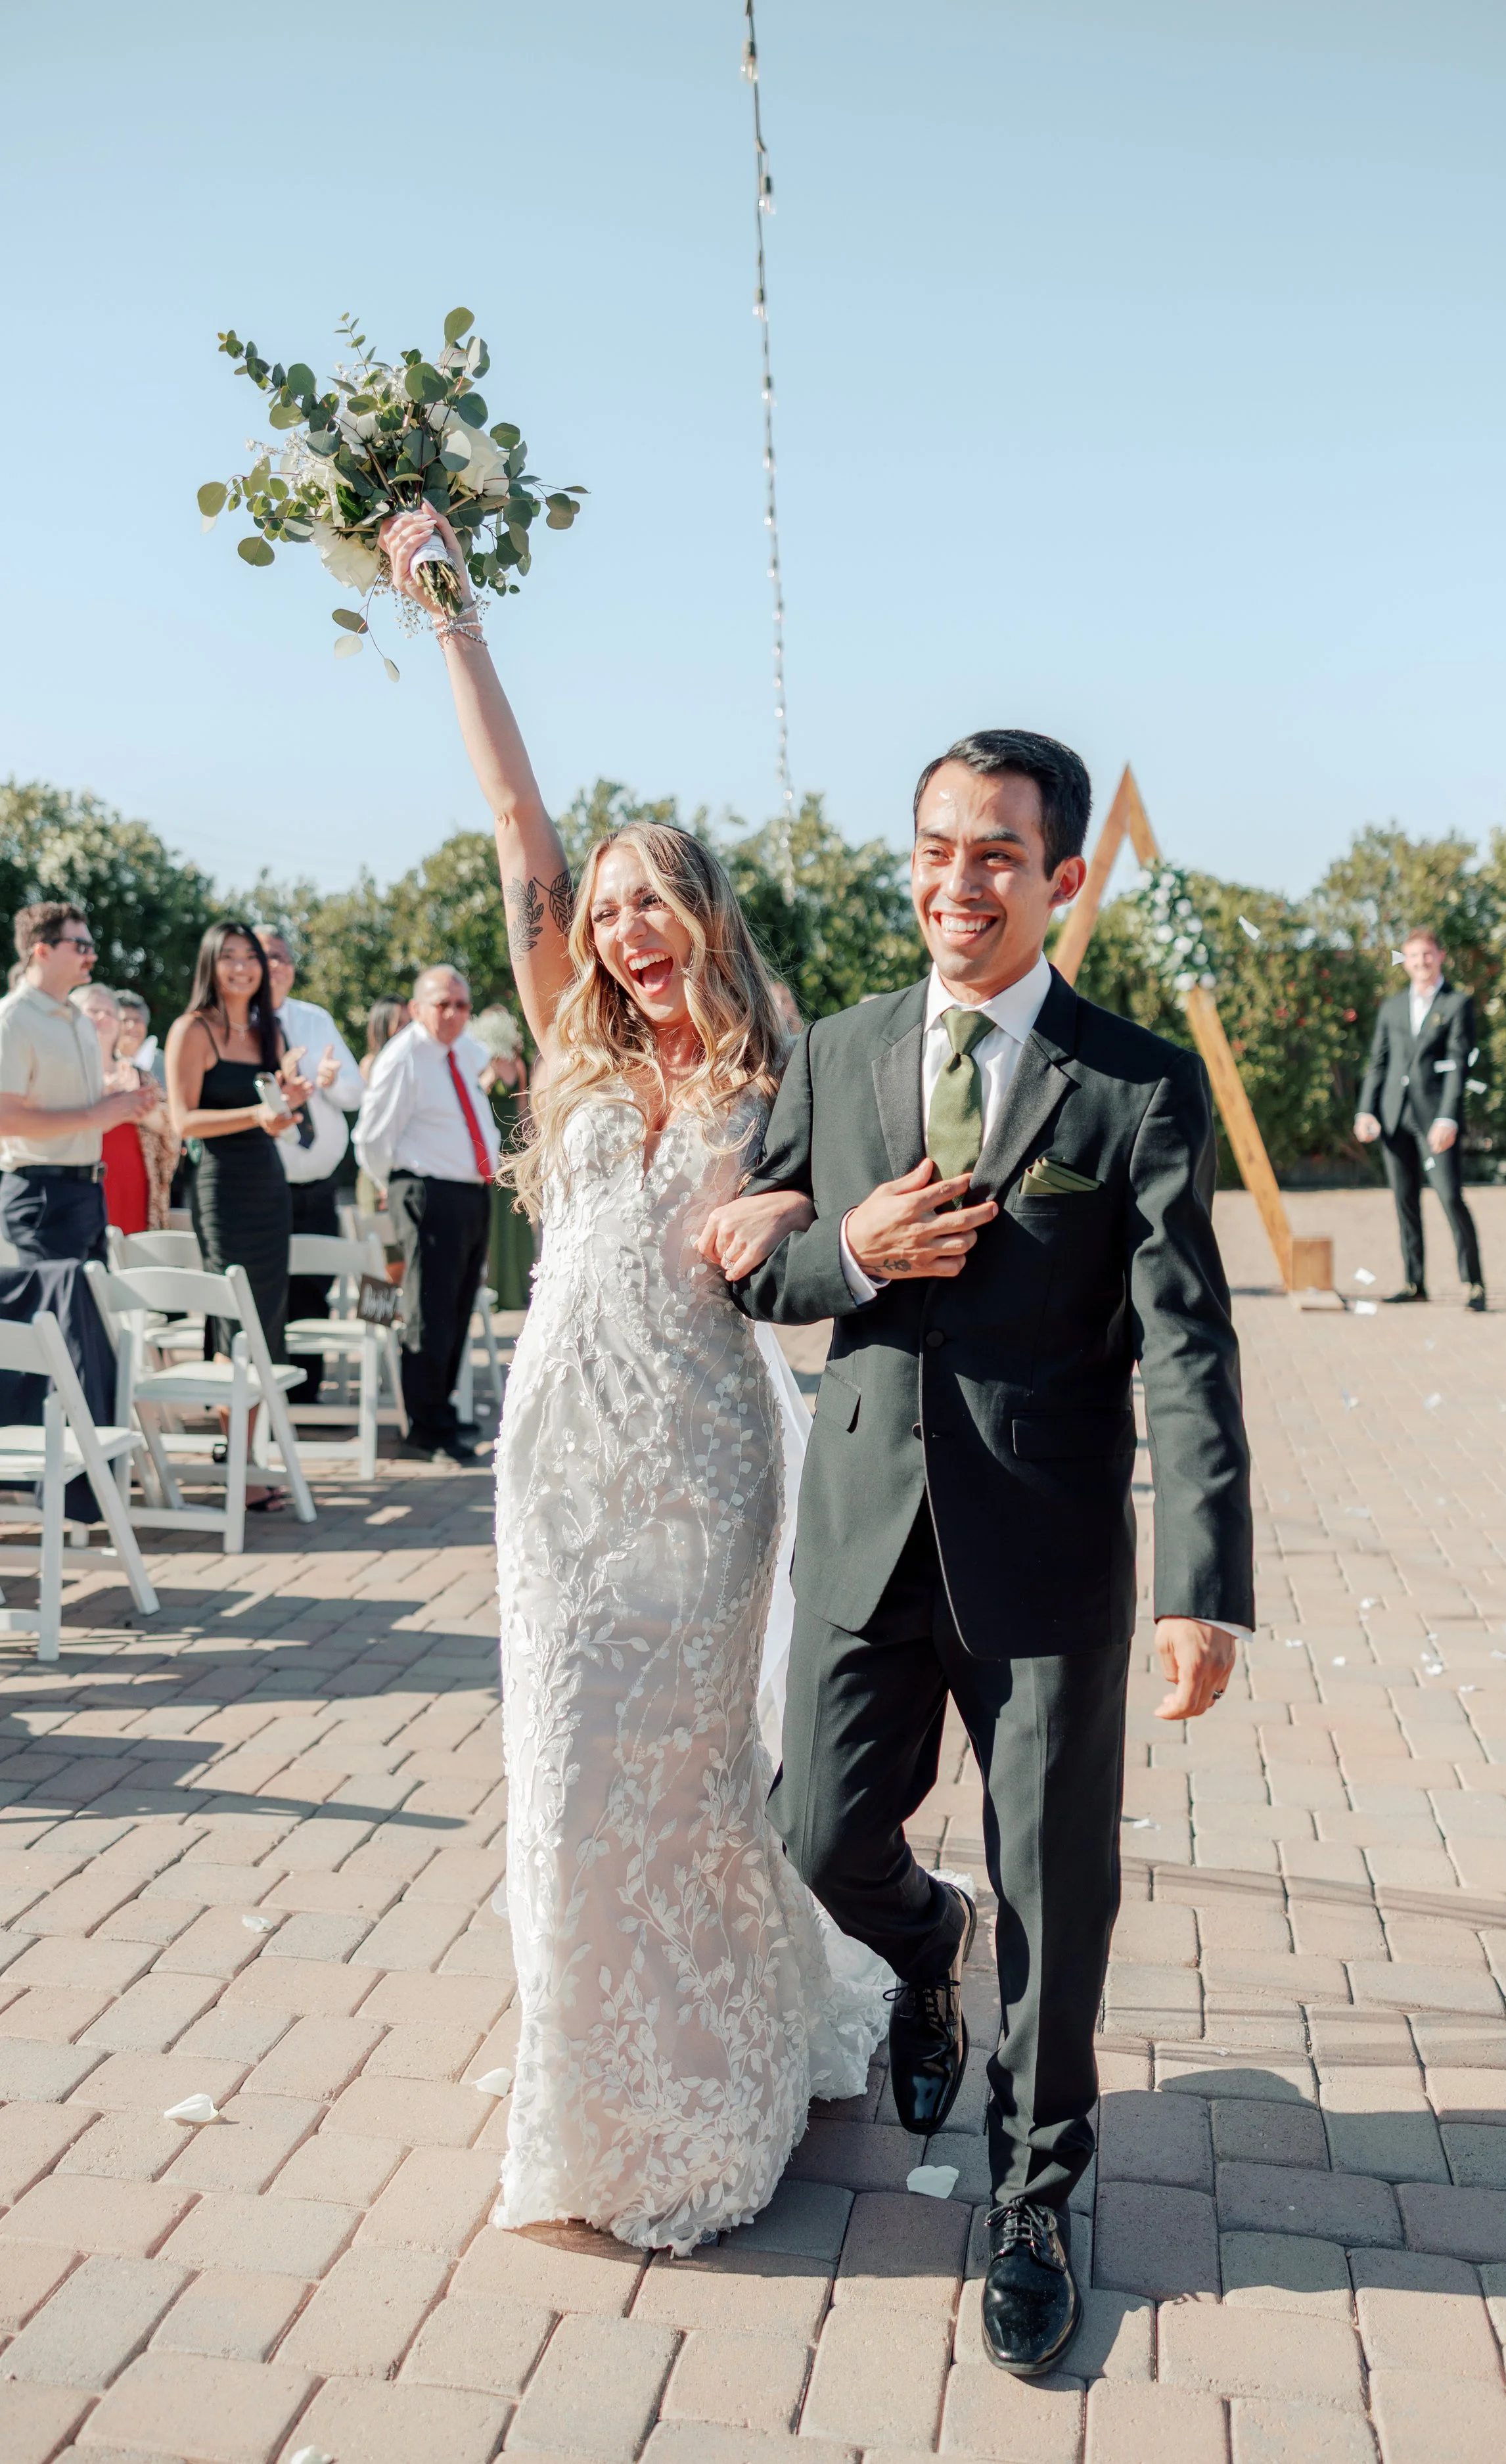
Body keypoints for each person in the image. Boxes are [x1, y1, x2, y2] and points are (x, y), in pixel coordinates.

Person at [705, 729, 1256, 2377]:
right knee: (817, 1833)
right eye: (938, 845)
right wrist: (843, 1256)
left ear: (1060, 877)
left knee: (1055, 1896)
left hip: (1050, 1558)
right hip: (863, 1534)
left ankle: (1033, 2191)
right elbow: (749, 1260)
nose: (959, 881)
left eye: (997, 854)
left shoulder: (1134, 1084)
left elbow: (1189, 1348)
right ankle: (919, 1944)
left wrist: (1201, 1581)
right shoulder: (844, 1048)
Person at [378, 505, 888, 2257]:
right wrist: (451, 617)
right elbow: (517, 820)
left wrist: (784, 1196)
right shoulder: (569, 1034)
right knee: (570, 1765)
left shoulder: (785, 1059)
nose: (619, 932)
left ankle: (719, 2057)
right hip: (561, 1458)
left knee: (680, 1767)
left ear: (701, 909)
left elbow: (843, 1209)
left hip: (706, 1449)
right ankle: (590, 2082)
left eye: (648, 902)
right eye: (601, 914)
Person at [166, 921, 311, 1509]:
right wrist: (257, 1115)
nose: (242, 968)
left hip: (268, 1184)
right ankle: (239, 1464)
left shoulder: (266, 1029)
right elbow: (184, 1122)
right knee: (234, 1321)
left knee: (267, 1321)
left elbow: (270, 1115)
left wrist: (284, 1109)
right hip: (221, 1187)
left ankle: (247, 1462)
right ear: (210, 965)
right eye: (228, 957)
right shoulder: (191, 1029)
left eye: (250, 957)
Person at [355, 966, 499, 1463]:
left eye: (462, 1005)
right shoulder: (406, 1056)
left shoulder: (460, 1053)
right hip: (426, 1191)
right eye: (443, 1004)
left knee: (457, 1307)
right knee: (428, 1310)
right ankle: (425, 1428)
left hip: (469, 1193)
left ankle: (441, 1410)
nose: (454, 1014)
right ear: (417, 1009)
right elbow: (372, 1138)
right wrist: (396, 1189)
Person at [0, 901, 158, 1264]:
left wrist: (122, 1102)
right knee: (59, 1319)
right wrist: (96, 1113)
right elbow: (5, 1120)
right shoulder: (12, 1020)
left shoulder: (80, 1021)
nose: (92, 955)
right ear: (42, 951)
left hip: (87, 1191)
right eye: (80, 946)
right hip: (41, 1194)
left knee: (88, 1317)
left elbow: (74, 1104)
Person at [256, 927, 365, 1402]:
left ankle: (304, 1395)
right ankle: (264, 1396)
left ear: (291, 967)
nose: (273, 965)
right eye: (263, 957)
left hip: (318, 1184)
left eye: (280, 956)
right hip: (262, 1185)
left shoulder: (315, 1019)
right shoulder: (232, 1024)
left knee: (314, 1288)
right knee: (266, 1292)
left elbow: (355, 1094)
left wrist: (329, 1081)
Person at [1353, 928, 1486, 1311]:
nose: (1421, 963)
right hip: (1395, 1117)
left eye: (1427, 955)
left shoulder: (1457, 1004)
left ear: (1440, 957)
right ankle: (1415, 1282)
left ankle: (1474, 1283)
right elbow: (1378, 1063)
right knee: (1404, 1201)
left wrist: (1448, 1117)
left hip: (1435, 1118)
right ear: (1405, 962)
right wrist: (1366, 1110)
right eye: (1413, 957)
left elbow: (1459, 1065)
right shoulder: (1392, 1007)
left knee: (1449, 1197)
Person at [69, 984, 179, 1239]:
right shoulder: (62, 1072)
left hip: (134, 1181)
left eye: (110, 1012)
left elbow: (172, 1124)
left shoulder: (140, 1075)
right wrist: (111, 1101)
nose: (104, 1018)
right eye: (94, 1011)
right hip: (81, 1181)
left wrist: (139, 1109)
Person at [471, 1002, 536, 1311]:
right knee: (494, 1219)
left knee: (518, 1216)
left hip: (513, 1145)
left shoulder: (519, 1064)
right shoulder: (481, 1063)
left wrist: (530, 1147)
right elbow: (474, 1099)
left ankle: (519, 1288)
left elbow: (524, 1110)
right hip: (490, 1146)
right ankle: (496, 1289)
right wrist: (489, 1074)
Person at [355, 995, 410, 1215]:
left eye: (410, 1023)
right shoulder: (372, 1064)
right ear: (382, 1026)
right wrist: (384, 1183)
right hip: (377, 1171)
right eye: (400, 1024)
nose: (407, 1030)